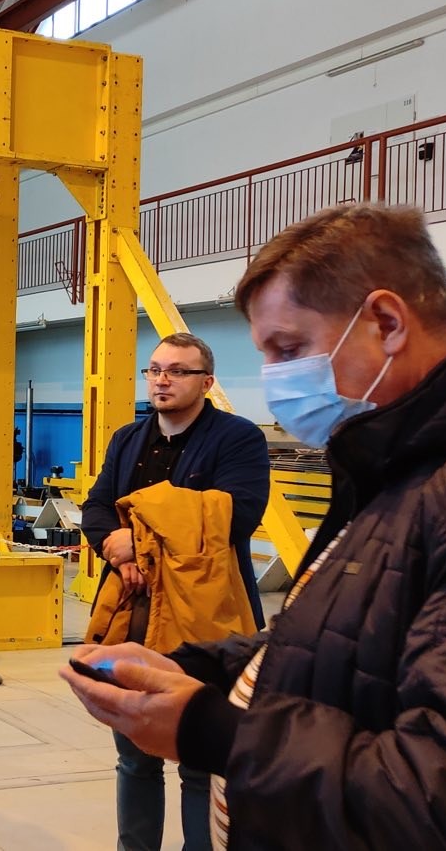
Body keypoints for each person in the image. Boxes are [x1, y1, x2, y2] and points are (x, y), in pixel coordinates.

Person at [63, 204, 446, 849]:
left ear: (387, 323)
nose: (276, 379)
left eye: (290, 350)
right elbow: (350, 634)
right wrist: (199, 666)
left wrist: (211, 730)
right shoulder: (410, 466)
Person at [80, 333, 270, 851]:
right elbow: (97, 507)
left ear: (206, 383)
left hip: (205, 620)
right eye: (155, 369)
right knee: (133, 756)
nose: (162, 380)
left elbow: (236, 516)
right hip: (134, 614)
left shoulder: (238, 438)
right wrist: (121, 553)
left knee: (199, 761)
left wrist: (139, 540)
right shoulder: (127, 438)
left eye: (178, 371)